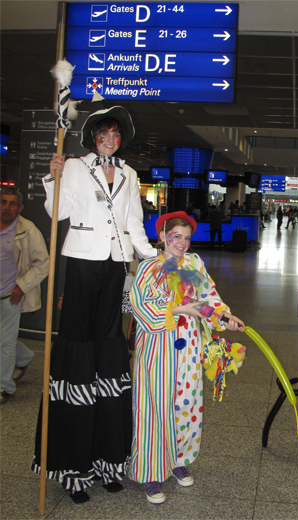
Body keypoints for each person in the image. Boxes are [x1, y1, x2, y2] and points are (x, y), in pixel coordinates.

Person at [32, 93, 159, 503]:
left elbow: (135, 225)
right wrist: (52, 178)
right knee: (77, 351)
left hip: (115, 265)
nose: (110, 139)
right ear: (92, 136)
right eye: (104, 133)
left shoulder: (129, 173)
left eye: (116, 134)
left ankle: (107, 462)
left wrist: (157, 261)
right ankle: (73, 469)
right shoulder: (73, 166)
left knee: (109, 349)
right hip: (83, 263)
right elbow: (57, 213)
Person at [128, 211, 244, 504]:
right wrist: (182, 310)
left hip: (190, 346)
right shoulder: (148, 267)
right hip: (158, 348)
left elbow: (208, 297)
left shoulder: (194, 263)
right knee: (156, 407)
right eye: (176, 236)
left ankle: (178, 460)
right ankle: (152, 473)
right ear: (163, 236)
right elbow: (142, 308)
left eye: (187, 237)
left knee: (186, 403)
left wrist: (224, 315)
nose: (182, 242)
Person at [1, 187, 49, 404]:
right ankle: (25, 357)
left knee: (5, 343)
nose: (7, 208)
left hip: (10, 295)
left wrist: (22, 286)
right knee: (5, 340)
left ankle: (5, 388)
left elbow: (43, 263)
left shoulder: (27, 230)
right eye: (3, 202)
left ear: (20, 208)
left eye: (12, 204)